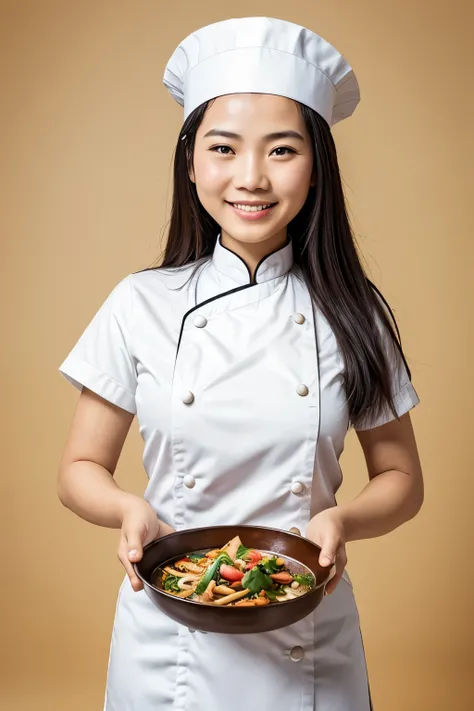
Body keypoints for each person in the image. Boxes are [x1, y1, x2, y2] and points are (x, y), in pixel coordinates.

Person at [57, 16, 424, 711]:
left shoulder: (353, 309)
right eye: (223, 148)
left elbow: (402, 478)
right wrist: (128, 509)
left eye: (281, 150)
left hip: (308, 630)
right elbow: (78, 468)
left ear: (315, 166)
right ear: (190, 158)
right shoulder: (140, 302)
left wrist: (340, 523)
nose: (251, 177)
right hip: (169, 639)